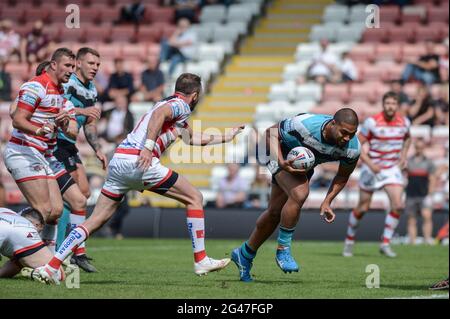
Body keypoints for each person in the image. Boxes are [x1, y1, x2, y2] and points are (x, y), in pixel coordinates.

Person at [36, 73, 244, 284]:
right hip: (140, 162)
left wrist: (227, 136)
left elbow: (193, 138)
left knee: (94, 221)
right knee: (195, 197)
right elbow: (159, 116)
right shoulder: (180, 105)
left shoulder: (173, 111)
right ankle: (200, 260)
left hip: (119, 162)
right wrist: (148, 147)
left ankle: (50, 266)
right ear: (195, 95)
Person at [231, 108, 361, 282]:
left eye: (351, 134)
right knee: (300, 193)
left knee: (275, 212)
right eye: (344, 132)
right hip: (274, 149)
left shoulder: (353, 148)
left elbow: (343, 175)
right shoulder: (305, 125)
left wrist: (327, 201)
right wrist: (281, 162)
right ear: (332, 123)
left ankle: (244, 254)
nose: (347, 138)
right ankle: (283, 250)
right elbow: (270, 133)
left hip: (300, 162)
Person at [3, 48, 77, 254]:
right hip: (22, 152)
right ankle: (22, 252)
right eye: (68, 66)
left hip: (42, 155)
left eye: (73, 66)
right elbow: (17, 119)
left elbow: (72, 132)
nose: (71, 70)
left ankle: (48, 258)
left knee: (56, 211)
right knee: (43, 210)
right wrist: (39, 129)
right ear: (54, 65)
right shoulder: (36, 86)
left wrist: (63, 125)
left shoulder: (61, 94)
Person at [53, 47, 107, 272]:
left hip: (69, 146)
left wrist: (97, 148)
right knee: (74, 199)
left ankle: (70, 249)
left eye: (98, 65)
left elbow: (91, 125)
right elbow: (57, 108)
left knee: (83, 193)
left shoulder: (92, 89)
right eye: (91, 63)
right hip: (55, 143)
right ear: (79, 64)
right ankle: (67, 250)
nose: (95, 68)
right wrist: (84, 113)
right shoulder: (68, 83)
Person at [343, 91, 412, 258]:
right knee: (362, 209)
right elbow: (357, 144)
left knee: (398, 205)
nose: (390, 106)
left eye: (393, 104)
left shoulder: (404, 122)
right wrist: (370, 163)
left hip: (391, 169)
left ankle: (385, 243)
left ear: (397, 106)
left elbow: (408, 138)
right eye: (387, 103)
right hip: (372, 168)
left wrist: (403, 156)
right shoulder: (372, 122)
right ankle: (349, 241)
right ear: (383, 105)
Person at [0, 207, 64, 283]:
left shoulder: (7, 211)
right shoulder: (26, 227)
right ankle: (36, 273)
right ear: (38, 225)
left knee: (20, 260)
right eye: (40, 231)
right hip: (19, 230)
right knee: (58, 273)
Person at [405, 138, 436, 245]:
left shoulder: (429, 163)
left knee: (427, 216)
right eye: (417, 147)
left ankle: (427, 239)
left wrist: (430, 195)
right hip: (410, 194)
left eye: (421, 148)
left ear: (424, 148)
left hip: (424, 195)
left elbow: (432, 179)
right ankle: (412, 242)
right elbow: (404, 176)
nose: (419, 150)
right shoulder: (408, 161)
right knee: (411, 219)